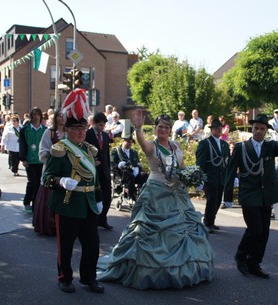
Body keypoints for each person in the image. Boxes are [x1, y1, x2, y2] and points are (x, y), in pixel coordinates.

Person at [97, 109, 213, 290]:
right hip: (156, 192)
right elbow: (142, 144)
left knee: (185, 229)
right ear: (156, 128)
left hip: (177, 193)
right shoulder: (151, 145)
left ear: (170, 128)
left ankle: (186, 266)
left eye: (166, 127)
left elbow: (181, 166)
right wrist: (138, 128)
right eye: (160, 127)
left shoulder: (176, 146)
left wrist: (191, 177)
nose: (163, 130)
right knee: (148, 231)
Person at [42, 89, 104, 293]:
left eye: (83, 128)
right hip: (68, 205)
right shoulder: (60, 149)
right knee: (66, 246)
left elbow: (94, 178)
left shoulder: (89, 150)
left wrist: (99, 197)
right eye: (76, 129)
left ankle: (89, 278)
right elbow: (46, 178)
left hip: (88, 205)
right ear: (67, 130)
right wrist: (60, 181)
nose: (80, 132)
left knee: (92, 246)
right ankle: (65, 278)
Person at [224, 113, 278, 278]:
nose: (259, 131)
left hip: (266, 194)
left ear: (266, 131)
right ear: (252, 129)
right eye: (256, 128)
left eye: (262, 129)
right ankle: (241, 256)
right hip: (249, 194)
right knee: (255, 229)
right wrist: (227, 196)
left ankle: (254, 263)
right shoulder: (241, 148)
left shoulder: (270, 146)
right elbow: (231, 171)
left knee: (264, 231)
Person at [33, 110, 66, 235]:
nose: (62, 118)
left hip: (65, 170)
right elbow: (42, 151)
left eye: (64, 116)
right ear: (56, 117)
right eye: (60, 115)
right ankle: (48, 225)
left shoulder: (68, 133)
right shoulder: (49, 132)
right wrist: (53, 153)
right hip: (52, 168)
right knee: (49, 193)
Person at [196, 118, 230, 233]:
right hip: (209, 177)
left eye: (220, 128)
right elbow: (200, 162)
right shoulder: (205, 143)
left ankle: (211, 221)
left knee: (217, 200)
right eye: (216, 128)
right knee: (212, 200)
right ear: (212, 130)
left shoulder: (224, 144)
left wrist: (230, 177)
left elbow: (227, 162)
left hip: (220, 177)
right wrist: (200, 177)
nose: (219, 130)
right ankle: (207, 222)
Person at [85, 112, 113, 230]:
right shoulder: (87, 134)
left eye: (104, 125)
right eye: (100, 125)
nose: (102, 127)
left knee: (107, 196)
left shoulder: (105, 136)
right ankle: (93, 220)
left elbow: (106, 154)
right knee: (94, 196)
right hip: (93, 170)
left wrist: (108, 168)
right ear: (94, 123)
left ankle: (103, 219)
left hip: (104, 170)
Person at [19, 107, 46, 212]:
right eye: (34, 115)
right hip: (30, 160)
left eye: (38, 115)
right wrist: (23, 158)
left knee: (39, 182)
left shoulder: (44, 130)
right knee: (32, 182)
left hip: (41, 161)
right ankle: (27, 201)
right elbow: (22, 145)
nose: (36, 117)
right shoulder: (25, 129)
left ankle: (36, 204)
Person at [110, 134, 148, 201]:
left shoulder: (134, 152)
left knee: (145, 175)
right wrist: (118, 165)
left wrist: (137, 167)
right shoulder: (115, 151)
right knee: (129, 175)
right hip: (121, 174)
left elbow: (137, 163)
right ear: (123, 141)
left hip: (133, 172)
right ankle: (130, 196)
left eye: (131, 142)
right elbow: (112, 164)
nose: (130, 143)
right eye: (128, 141)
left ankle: (143, 195)